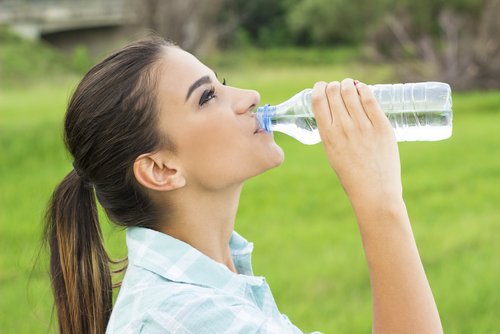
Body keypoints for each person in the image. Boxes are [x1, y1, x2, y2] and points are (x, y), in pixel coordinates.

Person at [44, 37, 443, 334]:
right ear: (161, 169)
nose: (249, 97)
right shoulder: (187, 318)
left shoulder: (216, 286)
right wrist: (379, 200)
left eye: (222, 83)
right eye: (206, 97)